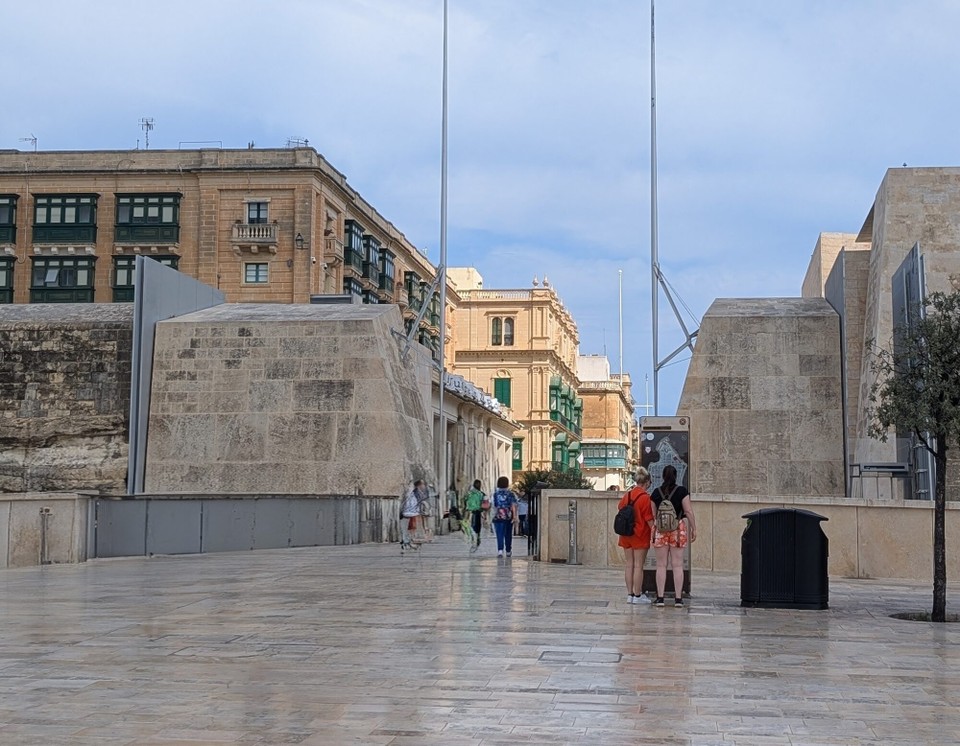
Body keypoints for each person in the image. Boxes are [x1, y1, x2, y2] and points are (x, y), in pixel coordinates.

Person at [651, 465, 697, 607]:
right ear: (676, 476)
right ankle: (678, 599)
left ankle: (660, 598)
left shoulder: (656, 493)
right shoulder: (682, 491)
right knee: (677, 565)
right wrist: (694, 528)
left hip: (660, 530)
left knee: (661, 565)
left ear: (663, 476)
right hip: (678, 530)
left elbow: (654, 515)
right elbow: (688, 511)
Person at [618, 467, 655, 605]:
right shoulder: (645, 498)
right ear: (647, 482)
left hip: (626, 534)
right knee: (639, 565)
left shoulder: (627, 495)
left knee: (629, 565)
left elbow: (620, 508)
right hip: (640, 535)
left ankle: (630, 594)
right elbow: (648, 519)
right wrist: (655, 532)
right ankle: (638, 595)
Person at [490, 476, 519, 557]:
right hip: (508, 517)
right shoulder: (511, 494)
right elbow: (514, 505)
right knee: (508, 534)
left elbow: (492, 505)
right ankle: (508, 550)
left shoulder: (495, 494)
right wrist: (515, 516)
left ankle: (500, 550)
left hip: (498, 516)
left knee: (499, 534)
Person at [400, 479, 428, 549]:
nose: (424, 486)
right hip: (410, 513)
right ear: (419, 485)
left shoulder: (416, 492)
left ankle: (408, 542)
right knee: (411, 528)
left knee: (409, 528)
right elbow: (415, 503)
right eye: (423, 484)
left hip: (411, 512)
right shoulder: (415, 492)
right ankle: (408, 542)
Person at [463, 479, 485, 552]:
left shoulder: (469, 493)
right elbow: (484, 503)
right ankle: (478, 539)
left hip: (470, 512)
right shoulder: (481, 494)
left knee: (472, 528)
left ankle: (474, 542)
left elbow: (464, 500)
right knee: (477, 527)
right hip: (478, 512)